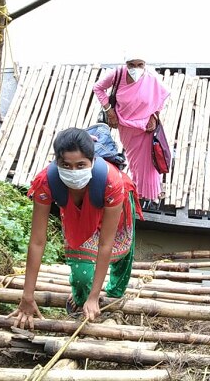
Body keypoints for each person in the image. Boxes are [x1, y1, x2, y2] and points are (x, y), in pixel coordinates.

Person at [8, 128, 142, 328]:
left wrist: (95, 297)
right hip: (76, 216)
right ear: (56, 163)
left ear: (93, 162)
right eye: (66, 165)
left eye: (81, 165)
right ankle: (80, 300)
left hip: (115, 206)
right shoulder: (45, 182)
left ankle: (114, 294)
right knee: (81, 275)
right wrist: (27, 296)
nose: (73, 172)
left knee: (121, 255)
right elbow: (37, 241)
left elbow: (106, 243)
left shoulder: (112, 181)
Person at [93, 55, 170, 201]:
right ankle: (139, 190)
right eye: (131, 64)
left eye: (140, 64)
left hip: (146, 127)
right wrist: (109, 111)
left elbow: (161, 96)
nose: (136, 68)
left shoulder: (151, 76)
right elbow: (98, 88)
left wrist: (154, 116)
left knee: (150, 162)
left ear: (145, 64)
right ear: (126, 64)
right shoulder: (117, 74)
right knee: (134, 161)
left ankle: (149, 193)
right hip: (125, 125)